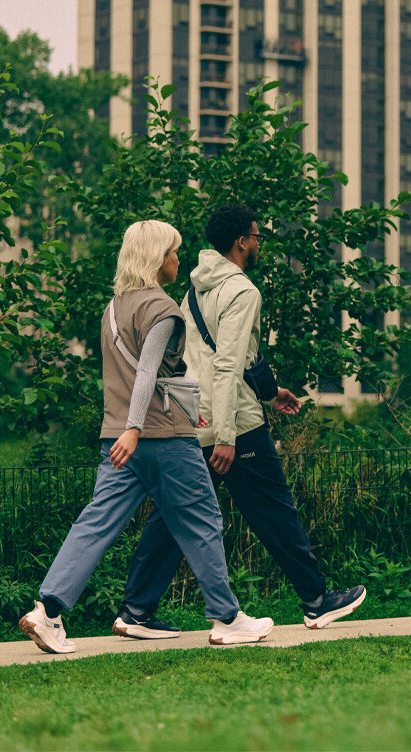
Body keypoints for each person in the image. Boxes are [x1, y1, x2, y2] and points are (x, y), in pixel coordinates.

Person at [19, 219, 274, 652]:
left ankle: (48, 612)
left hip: (118, 439)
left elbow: (138, 377)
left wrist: (138, 426)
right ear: (159, 258)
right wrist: (138, 428)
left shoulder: (114, 308)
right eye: (173, 251)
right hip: (158, 438)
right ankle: (227, 619)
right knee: (203, 520)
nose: (178, 258)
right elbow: (146, 373)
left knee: (95, 524)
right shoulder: (162, 309)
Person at [113, 205, 365, 641]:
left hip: (194, 418)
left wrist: (271, 391)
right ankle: (316, 600)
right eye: (256, 235)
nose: (259, 242)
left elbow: (227, 356)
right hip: (235, 425)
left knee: (175, 513)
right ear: (241, 242)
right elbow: (228, 364)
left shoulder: (192, 290)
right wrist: (228, 435)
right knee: (274, 511)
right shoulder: (242, 291)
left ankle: (135, 609)